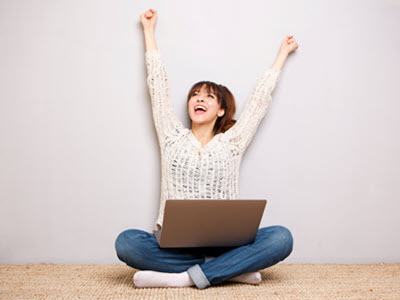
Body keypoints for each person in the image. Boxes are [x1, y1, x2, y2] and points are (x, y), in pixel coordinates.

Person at [115, 8, 299, 289]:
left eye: (209, 97)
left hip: (225, 244)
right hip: (173, 247)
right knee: (126, 243)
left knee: (282, 238)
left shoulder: (233, 142)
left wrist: (282, 55)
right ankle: (227, 271)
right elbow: (158, 87)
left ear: (221, 109)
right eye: (194, 96)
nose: (199, 100)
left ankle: (186, 278)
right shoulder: (171, 135)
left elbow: (258, 104)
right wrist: (148, 32)